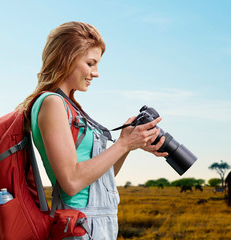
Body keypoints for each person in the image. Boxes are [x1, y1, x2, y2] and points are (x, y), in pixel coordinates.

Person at [17, 21, 167, 239]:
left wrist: (128, 145)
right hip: (81, 223)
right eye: (90, 63)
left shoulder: (70, 106)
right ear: (66, 58)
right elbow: (71, 181)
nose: (96, 73)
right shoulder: (52, 103)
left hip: (98, 222)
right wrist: (123, 144)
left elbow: (102, 177)